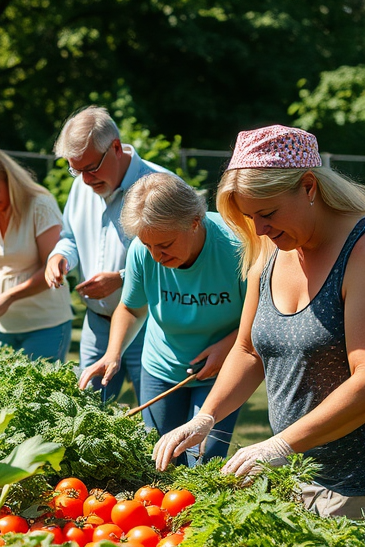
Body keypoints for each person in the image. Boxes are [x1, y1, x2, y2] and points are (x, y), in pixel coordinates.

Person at [154, 125, 365, 518]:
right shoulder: (270, 246)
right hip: (291, 479)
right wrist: (206, 416)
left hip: (353, 487)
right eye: (250, 217)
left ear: (308, 186)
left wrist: (280, 444)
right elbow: (248, 349)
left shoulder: (360, 252)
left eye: (267, 213)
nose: (259, 229)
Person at [80, 174, 246, 465]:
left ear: (194, 221)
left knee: (203, 465)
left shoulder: (236, 246)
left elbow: (259, 316)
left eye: (165, 244)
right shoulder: (141, 254)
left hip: (221, 372)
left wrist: (228, 347)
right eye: (148, 246)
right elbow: (131, 308)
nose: (156, 256)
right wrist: (113, 352)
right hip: (161, 369)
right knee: (160, 464)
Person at [45, 107, 172, 398]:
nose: (85, 180)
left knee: (157, 421)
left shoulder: (162, 186)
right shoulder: (80, 186)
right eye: (76, 170)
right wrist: (59, 257)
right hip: (97, 326)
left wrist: (123, 278)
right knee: (87, 416)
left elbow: (184, 258)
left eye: (91, 168)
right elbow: (70, 238)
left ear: (115, 147)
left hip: (150, 327)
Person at [0, 148, 74, 361]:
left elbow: (52, 268)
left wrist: (9, 296)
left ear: (12, 184)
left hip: (44, 325)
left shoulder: (39, 205)